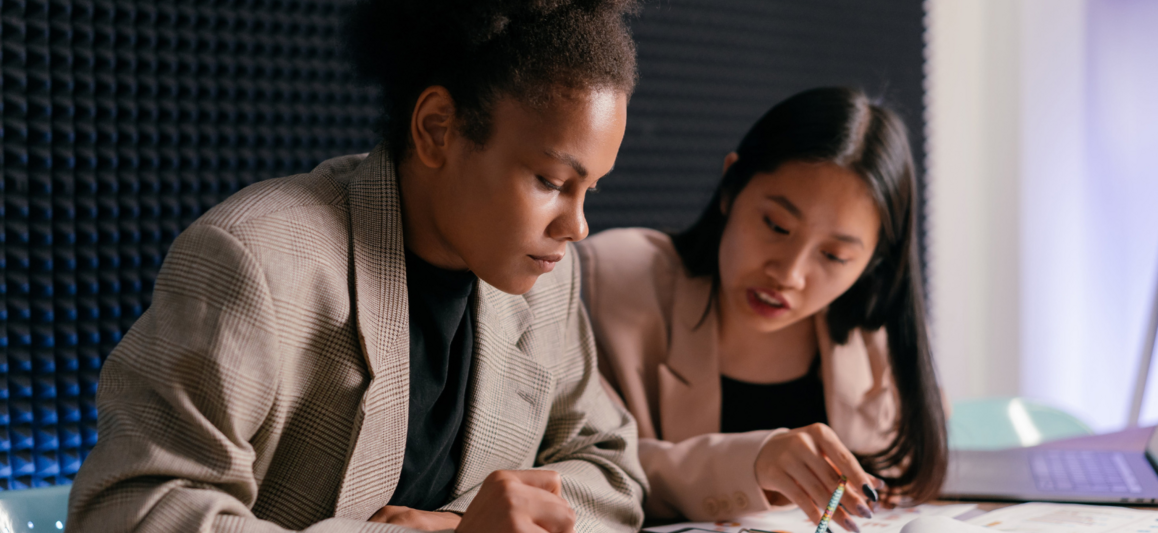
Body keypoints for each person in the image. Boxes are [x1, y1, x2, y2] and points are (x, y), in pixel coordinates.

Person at [65, 1, 648, 531]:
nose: (576, 227)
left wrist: (457, 524)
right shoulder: (254, 259)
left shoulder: (548, 278)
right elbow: (131, 509)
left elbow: (614, 470)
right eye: (550, 181)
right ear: (437, 129)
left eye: (589, 189)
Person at [576, 87, 948, 532]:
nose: (789, 273)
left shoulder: (875, 328)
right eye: (776, 225)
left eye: (833, 257)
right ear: (731, 186)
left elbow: (904, 465)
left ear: (872, 262)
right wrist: (752, 463)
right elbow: (591, 461)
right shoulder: (611, 280)